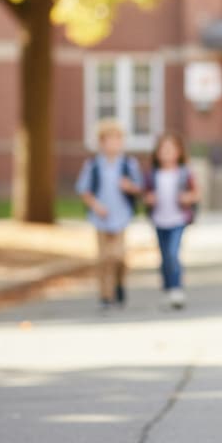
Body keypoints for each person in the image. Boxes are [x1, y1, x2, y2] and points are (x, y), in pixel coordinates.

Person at [76, 119, 143, 309]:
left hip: (121, 216)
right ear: (101, 142)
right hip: (101, 218)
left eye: (118, 139)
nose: (114, 144)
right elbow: (84, 190)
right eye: (110, 140)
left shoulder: (129, 164)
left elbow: (139, 188)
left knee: (119, 257)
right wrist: (96, 206)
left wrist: (129, 187)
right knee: (104, 258)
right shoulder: (94, 165)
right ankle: (105, 295)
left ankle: (120, 284)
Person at [143, 131, 200, 310]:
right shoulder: (153, 174)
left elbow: (196, 193)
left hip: (178, 219)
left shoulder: (184, 173)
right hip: (160, 220)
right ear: (157, 153)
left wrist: (187, 197)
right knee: (163, 256)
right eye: (163, 150)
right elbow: (145, 195)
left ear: (178, 152)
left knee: (173, 254)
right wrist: (148, 199)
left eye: (170, 149)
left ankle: (176, 289)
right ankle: (168, 288)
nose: (167, 153)